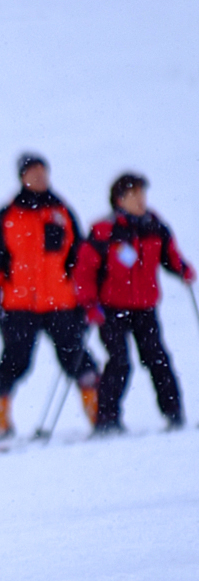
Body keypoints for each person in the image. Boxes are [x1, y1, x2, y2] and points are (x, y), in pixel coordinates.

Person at [0, 153, 99, 437]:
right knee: (15, 362)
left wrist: (84, 296)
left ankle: (100, 415)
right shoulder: (7, 215)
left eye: (42, 171)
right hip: (18, 303)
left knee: (77, 358)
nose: (38, 177)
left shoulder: (63, 212)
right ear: (22, 177)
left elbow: (79, 260)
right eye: (32, 172)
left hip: (61, 301)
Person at [74, 173, 195, 433]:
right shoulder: (104, 230)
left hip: (145, 307)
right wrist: (88, 304)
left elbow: (169, 256)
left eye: (142, 194)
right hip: (111, 308)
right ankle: (106, 419)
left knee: (157, 358)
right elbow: (84, 270)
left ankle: (174, 413)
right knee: (119, 361)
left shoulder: (155, 226)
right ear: (119, 200)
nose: (140, 200)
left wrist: (182, 269)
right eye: (134, 195)